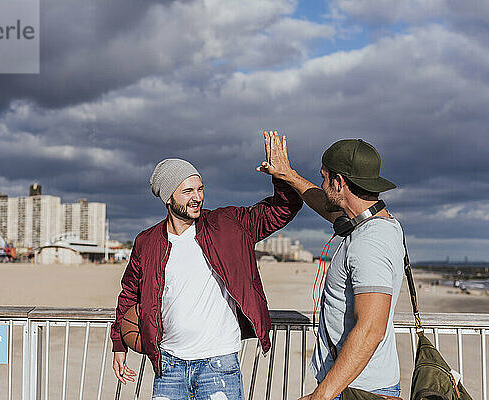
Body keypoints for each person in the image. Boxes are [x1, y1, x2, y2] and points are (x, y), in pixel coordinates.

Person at [111, 136, 303, 399]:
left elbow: (282, 209)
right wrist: (119, 345)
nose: (197, 197)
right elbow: (130, 293)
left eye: (200, 189)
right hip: (168, 367)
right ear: (168, 198)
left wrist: (283, 177)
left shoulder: (229, 224)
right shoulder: (148, 241)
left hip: (218, 365)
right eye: (188, 191)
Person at [257, 133, 404, 400]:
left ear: (339, 181)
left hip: (359, 390)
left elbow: (371, 330)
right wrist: (287, 174)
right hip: (351, 385)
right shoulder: (371, 225)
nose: (322, 183)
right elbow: (329, 209)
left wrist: (321, 396)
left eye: (324, 177)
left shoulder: (370, 243)